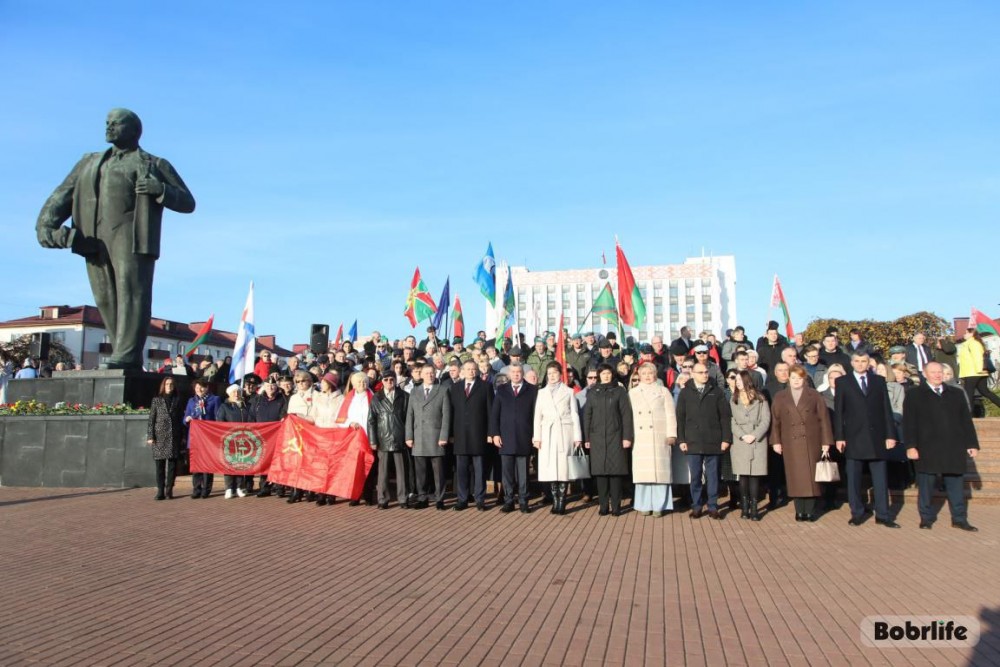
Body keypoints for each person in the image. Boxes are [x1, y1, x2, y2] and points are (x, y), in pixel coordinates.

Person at [35, 109, 195, 369]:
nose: (109, 127)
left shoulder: (154, 163)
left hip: (131, 237)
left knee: (132, 293)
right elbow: (62, 195)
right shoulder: (89, 162)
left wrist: (160, 189)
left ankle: (127, 354)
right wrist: (47, 224)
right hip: (92, 237)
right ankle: (123, 350)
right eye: (107, 123)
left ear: (134, 130)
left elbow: (188, 202)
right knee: (105, 298)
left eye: (116, 123)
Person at [904, 362, 980, 531]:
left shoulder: (956, 394)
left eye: (940, 372)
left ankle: (959, 519)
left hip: (953, 447)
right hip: (926, 448)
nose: (937, 375)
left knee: (955, 486)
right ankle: (926, 518)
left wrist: (972, 443)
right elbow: (909, 423)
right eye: (933, 372)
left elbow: (965, 421)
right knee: (926, 486)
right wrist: (911, 446)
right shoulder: (914, 394)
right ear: (925, 374)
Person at [834, 352, 899, 528]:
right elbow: (839, 412)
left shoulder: (878, 381)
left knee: (880, 479)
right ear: (852, 362)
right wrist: (839, 437)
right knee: (853, 479)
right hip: (853, 437)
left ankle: (883, 514)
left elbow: (886, 409)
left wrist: (890, 435)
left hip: (877, 437)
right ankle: (857, 513)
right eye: (857, 361)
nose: (861, 364)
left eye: (864, 361)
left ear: (868, 362)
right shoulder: (843, 382)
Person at [771, 366, 834, 522]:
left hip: (811, 441)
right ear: (788, 379)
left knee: (811, 477)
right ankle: (799, 510)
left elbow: (824, 420)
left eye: (799, 378)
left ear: (804, 379)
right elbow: (775, 421)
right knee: (795, 477)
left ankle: (810, 511)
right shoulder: (780, 396)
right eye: (793, 378)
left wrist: (826, 442)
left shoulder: (815, 395)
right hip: (790, 442)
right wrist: (776, 441)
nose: (796, 381)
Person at [676, 362, 733, 519]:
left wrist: (726, 438)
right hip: (692, 441)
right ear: (692, 373)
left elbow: (725, 417)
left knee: (713, 475)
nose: (704, 375)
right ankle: (697, 505)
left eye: (706, 372)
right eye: (700, 372)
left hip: (713, 440)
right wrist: (681, 439)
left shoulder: (717, 391)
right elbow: (680, 418)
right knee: (695, 476)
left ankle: (713, 506)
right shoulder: (685, 392)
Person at [532, 362, 583, 515]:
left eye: (554, 373)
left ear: (560, 374)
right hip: (547, 433)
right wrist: (537, 437)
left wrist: (577, 436)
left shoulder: (568, 392)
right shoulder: (541, 393)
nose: (552, 376)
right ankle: (554, 500)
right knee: (550, 469)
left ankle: (562, 501)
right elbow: (537, 416)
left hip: (564, 432)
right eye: (549, 373)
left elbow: (574, 414)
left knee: (563, 468)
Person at [584, 363, 634, 516]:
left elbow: (626, 416)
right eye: (603, 373)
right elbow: (587, 416)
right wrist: (587, 437)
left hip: (616, 437)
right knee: (600, 473)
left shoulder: (619, 391)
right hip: (597, 437)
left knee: (615, 473)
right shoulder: (593, 392)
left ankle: (616, 506)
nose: (606, 376)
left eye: (608, 373)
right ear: (599, 375)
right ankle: (603, 505)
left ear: (612, 375)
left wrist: (627, 437)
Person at [629, 362, 678, 517]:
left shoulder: (663, 391)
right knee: (643, 473)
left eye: (650, 373)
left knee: (660, 473)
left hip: (659, 436)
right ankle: (643, 504)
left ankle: (659, 505)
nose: (647, 376)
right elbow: (628, 417)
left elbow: (671, 414)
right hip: (640, 437)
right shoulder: (632, 393)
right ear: (639, 376)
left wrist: (672, 434)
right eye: (644, 374)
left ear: (655, 374)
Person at [490, 362, 537, 513]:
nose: (516, 374)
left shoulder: (532, 390)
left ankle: (524, 501)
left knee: (523, 474)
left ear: (522, 373)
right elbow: (494, 414)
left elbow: (536, 415)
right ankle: (508, 501)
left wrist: (535, 435)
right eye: (513, 372)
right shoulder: (502, 390)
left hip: (525, 437)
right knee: (507, 473)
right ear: (509, 374)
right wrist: (495, 434)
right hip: (506, 438)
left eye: (518, 372)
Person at [449, 360, 494, 511]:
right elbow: (451, 413)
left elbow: (490, 412)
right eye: (468, 369)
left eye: (474, 369)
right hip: (460, 435)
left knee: (479, 469)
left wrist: (490, 433)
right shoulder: (454, 388)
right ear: (463, 371)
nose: (471, 372)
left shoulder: (486, 387)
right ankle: (462, 499)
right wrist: (450, 434)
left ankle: (480, 499)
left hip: (479, 434)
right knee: (461, 469)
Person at [405, 365, 451, 510]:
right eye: (426, 373)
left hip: (436, 437)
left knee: (438, 472)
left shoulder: (442, 390)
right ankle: (422, 498)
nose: (430, 375)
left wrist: (444, 436)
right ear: (421, 375)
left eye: (432, 373)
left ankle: (439, 499)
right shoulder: (414, 391)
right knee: (420, 472)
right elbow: (409, 415)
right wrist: (409, 436)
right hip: (418, 436)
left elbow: (446, 416)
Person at [729, 370, 770, 520]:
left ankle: (754, 509)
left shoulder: (760, 399)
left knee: (755, 476)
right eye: (736, 380)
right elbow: (732, 421)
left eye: (740, 380)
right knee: (743, 475)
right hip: (740, 441)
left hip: (757, 441)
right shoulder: (734, 399)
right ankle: (744, 508)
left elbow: (766, 420)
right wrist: (742, 435)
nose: (737, 383)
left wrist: (754, 435)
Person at [368, 371, 410, 509]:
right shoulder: (376, 398)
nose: (389, 381)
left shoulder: (404, 396)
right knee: (383, 472)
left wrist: (408, 436)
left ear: (395, 380)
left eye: (392, 379)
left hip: (400, 437)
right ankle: (382, 499)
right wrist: (373, 440)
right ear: (382, 381)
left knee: (402, 471)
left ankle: (403, 498)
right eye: (386, 379)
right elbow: (371, 421)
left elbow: (409, 419)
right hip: (383, 438)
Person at [145, 377, 184, 500]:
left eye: (171, 384)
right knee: (160, 466)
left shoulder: (178, 400)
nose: (169, 386)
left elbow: (180, 419)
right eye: (167, 384)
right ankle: (160, 490)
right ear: (163, 386)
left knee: (172, 466)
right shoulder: (157, 400)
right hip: (160, 436)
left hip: (174, 436)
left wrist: (182, 436)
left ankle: (169, 490)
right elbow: (151, 419)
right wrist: (151, 436)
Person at [250, 378, 288, 498]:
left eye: (272, 386)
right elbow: (251, 416)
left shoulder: (282, 399)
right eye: (267, 386)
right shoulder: (258, 399)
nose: (270, 388)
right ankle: (264, 487)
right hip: (261, 436)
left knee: (278, 461)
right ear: (264, 387)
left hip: (277, 435)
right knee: (264, 461)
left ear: (276, 387)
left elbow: (284, 414)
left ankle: (279, 487)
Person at [184, 378, 221, 498]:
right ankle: (196, 488)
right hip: (194, 437)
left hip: (207, 437)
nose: (199, 389)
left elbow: (217, 418)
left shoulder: (214, 399)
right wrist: (187, 419)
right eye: (197, 387)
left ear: (207, 388)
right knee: (196, 463)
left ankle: (206, 488)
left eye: (202, 387)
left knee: (207, 463)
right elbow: (184, 418)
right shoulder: (191, 401)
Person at [216, 384, 251, 499]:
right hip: (230, 440)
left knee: (241, 463)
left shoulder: (246, 406)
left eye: (238, 392)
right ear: (229, 394)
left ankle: (239, 487)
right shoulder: (225, 407)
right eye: (234, 392)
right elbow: (220, 422)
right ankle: (229, 488)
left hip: (243, 440)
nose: (236, 394)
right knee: (230, 464)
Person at [958, 328, 1000, 413]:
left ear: (972, 334)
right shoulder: (970, 343)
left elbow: (978, 357)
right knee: (985, 392)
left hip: (973, 372)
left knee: (968, 393)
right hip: (976, 372)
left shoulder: (973, 343)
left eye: (966, 333)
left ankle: (968, 415)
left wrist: (979, 370)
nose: (964, 334)